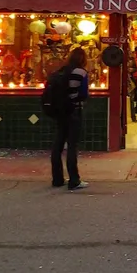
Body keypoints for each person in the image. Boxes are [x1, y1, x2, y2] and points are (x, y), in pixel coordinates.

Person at [51, 47, 89, 190]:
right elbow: (84, 93)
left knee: (58, 144)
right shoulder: (81, 72)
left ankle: (57, 178)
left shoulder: (61, 71)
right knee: (72, 146)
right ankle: (74, 179)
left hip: (60, 111)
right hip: (74, 110)